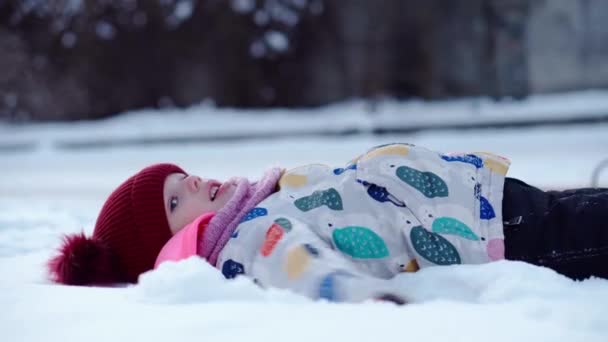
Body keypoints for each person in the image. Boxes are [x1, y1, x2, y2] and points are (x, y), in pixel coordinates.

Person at [48, 143, 608, 303]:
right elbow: (302, 270)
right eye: (174, 202)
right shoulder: (248, 237)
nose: (191, 183)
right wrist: (361, 298)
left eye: (182, 177)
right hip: (495, 236)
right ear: (173, 247)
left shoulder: (260, 198)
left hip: (481, 202)